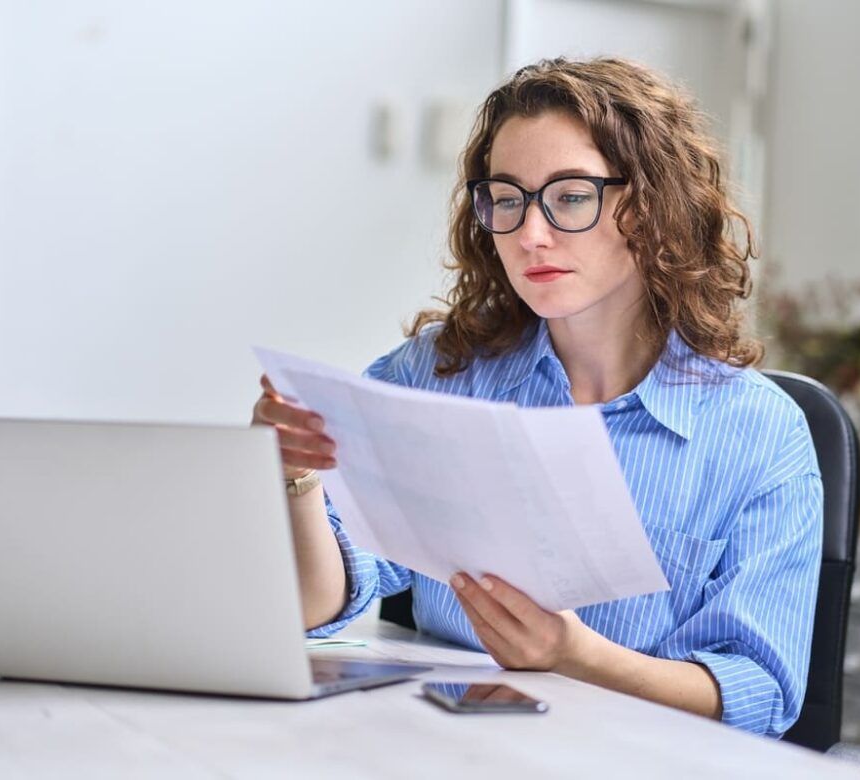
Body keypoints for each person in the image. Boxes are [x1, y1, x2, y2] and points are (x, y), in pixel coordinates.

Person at [251, 57, 822, 739]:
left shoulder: (761, 431)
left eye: (571, 196)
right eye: (508, 197)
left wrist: (578, 659)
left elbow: (759, 692)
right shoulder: (437, 374)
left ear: (650, 208)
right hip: (438, 750)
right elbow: (321, 605)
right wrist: (297, 478)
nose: (530, 233)